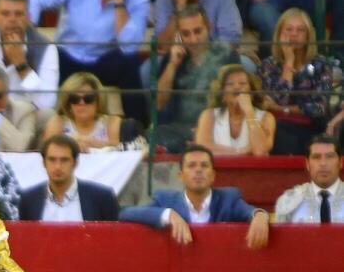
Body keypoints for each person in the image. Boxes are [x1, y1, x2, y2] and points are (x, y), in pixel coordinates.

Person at [27, 0, 150, 125]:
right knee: (43, 54)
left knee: (129, 62)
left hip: (104, 60)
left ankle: (138, 129)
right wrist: (30, 30)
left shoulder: (139, 0)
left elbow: (128, 46)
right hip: (67, 57)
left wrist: (119, 3)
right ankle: (38, 125)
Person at [119, 144, 270, 249]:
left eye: (204, 166)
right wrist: (168, 214)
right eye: (191, 166)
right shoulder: (165, 199)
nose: (198, 171)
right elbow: (125, 213)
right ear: (181, 176)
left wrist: (260, 215)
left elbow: (250, 211)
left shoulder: (229, 198)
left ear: (213, 176)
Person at [154, 6, 240, 152]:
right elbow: (159, 103)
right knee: (153, 136)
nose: (193, 39)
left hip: (217, 128)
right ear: (178, 35)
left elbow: (237, 99)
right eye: (186, 34)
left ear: (209, 27)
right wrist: (172, 65)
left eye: (198, 31)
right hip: (180, 130)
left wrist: (204, 130)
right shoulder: (173, 58)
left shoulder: (227, 55)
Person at [258, 8, 342, 155]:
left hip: (312, 127)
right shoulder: (268, 66)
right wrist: (289, 62)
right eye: (288, 30)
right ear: (279, 35)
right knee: (280, 130)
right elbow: (279, 99)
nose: (294, 35)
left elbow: (319, 108)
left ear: (308, 35)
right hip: (277, 126)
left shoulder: (320, 64)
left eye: (300, 30)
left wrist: (280, 108)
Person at [17, 134, 120, 222]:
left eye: (64, 160)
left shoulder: (102, 197)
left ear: (75, 163)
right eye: (52, 160)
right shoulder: (29, 199)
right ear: (44, 163)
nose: (58, 166)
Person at [193, 64, 275, 156]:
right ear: (222, 93)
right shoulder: (208, 115)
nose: (236, 87)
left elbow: (260, 151)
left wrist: (249, 111)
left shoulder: (267, 117)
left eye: (242, 83)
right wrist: (241, 151)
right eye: (230, 84)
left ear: (252, 92)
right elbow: (203, 148)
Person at [43, 72, 124, 152]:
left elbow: (120, 151)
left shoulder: (112, 122)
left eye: (88, 98)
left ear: (98, 101)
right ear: (68, 104)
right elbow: (47, 153)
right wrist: (71, 145)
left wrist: (94, 144)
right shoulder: (57, 122)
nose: (81, 103)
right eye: (75, 99)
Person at [274, 135, 344, 223]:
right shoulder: (289, 201)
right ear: (307, 164)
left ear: (340, 162)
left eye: (329, 157)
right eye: (316, 157)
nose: (323, 163)